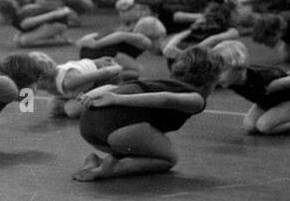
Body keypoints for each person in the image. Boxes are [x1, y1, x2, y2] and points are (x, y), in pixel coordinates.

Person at [71, 46, 219, 181]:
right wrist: (117, 99)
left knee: (147, 150)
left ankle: (97, 162)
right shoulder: (197, 99)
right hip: (116, 128)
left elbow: (113, 86)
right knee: (168, 159)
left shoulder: (159, 82)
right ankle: (114, 167)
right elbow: (166, 100)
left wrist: (90, 95)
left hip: (88, 127)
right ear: (212, 80)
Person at [208, 41, 290, 136]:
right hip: (268, 101)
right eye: (216, 71)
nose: (217, 76)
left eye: (223, 70)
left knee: (264, 126)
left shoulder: (261, 80)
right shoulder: (231, 79)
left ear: (238, 67)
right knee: (250, 126)